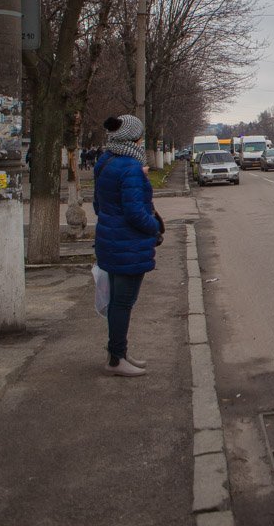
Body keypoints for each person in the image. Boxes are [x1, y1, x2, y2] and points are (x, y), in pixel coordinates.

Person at [93, 114, 163, 377]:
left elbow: (99, 205)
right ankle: (116, 359)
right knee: (123, 303)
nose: (142, 140)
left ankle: (119, 352)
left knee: (118, 302)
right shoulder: (130, 167)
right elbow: (135, 213)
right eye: (141, 135)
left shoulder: (106, 161)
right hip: (128, 245)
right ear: (134, 137)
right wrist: (155, 227)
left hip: (111, 241)